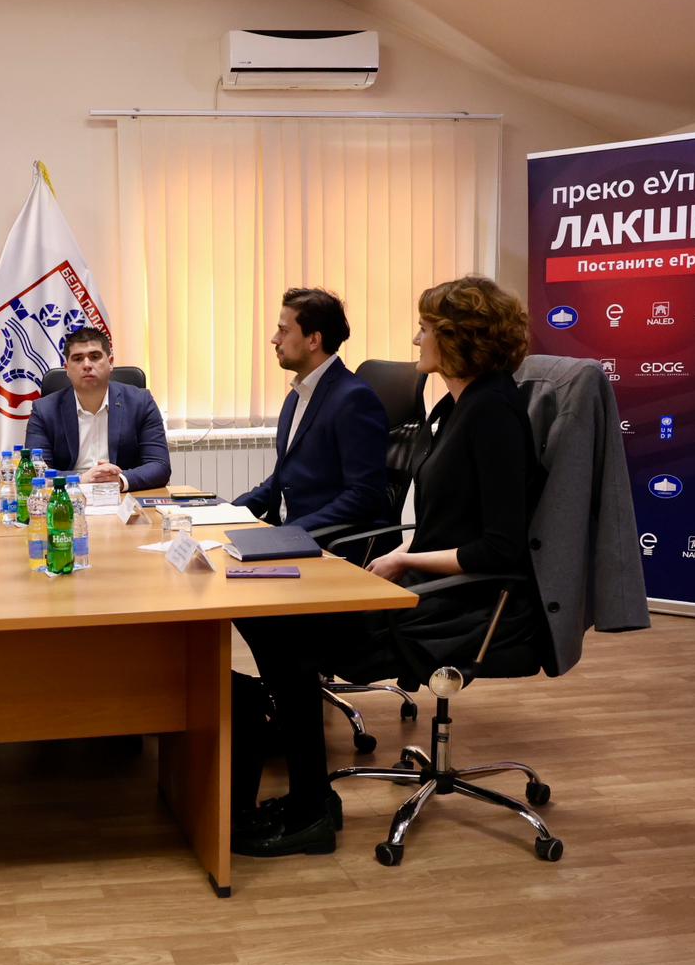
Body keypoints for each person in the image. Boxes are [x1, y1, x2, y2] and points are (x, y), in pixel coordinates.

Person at [232, 276, 546, 858]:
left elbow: (501, 549)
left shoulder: (493, 414)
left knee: (285, 635)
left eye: (425, 329)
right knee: (269, 622)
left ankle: (310, 811)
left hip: (460, 604)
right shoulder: (460, 406)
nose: (416, 339)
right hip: (429, 587)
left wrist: (404, 558)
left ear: (459, 337)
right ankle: (312, 800)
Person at [233, 288, 389, 532]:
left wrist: (290, 533)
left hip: (324, 542)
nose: (274, 339)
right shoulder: (297, 396)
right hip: (288, 533)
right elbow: (283, 477)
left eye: (284, 330)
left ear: (314, 340)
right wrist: (229, 512)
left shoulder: (354, 399)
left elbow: (364, 494)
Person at [22, 327, 171, 492]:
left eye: (95, 356)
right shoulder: (44, 410)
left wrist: (120, 480)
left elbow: (159, 465)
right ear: (67, 368)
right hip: (69, 497)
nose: (87, 365)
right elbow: (35, 471)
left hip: (124, 497)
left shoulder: (141, 402)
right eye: (78, 359)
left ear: (110, 362)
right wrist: (81, 479)